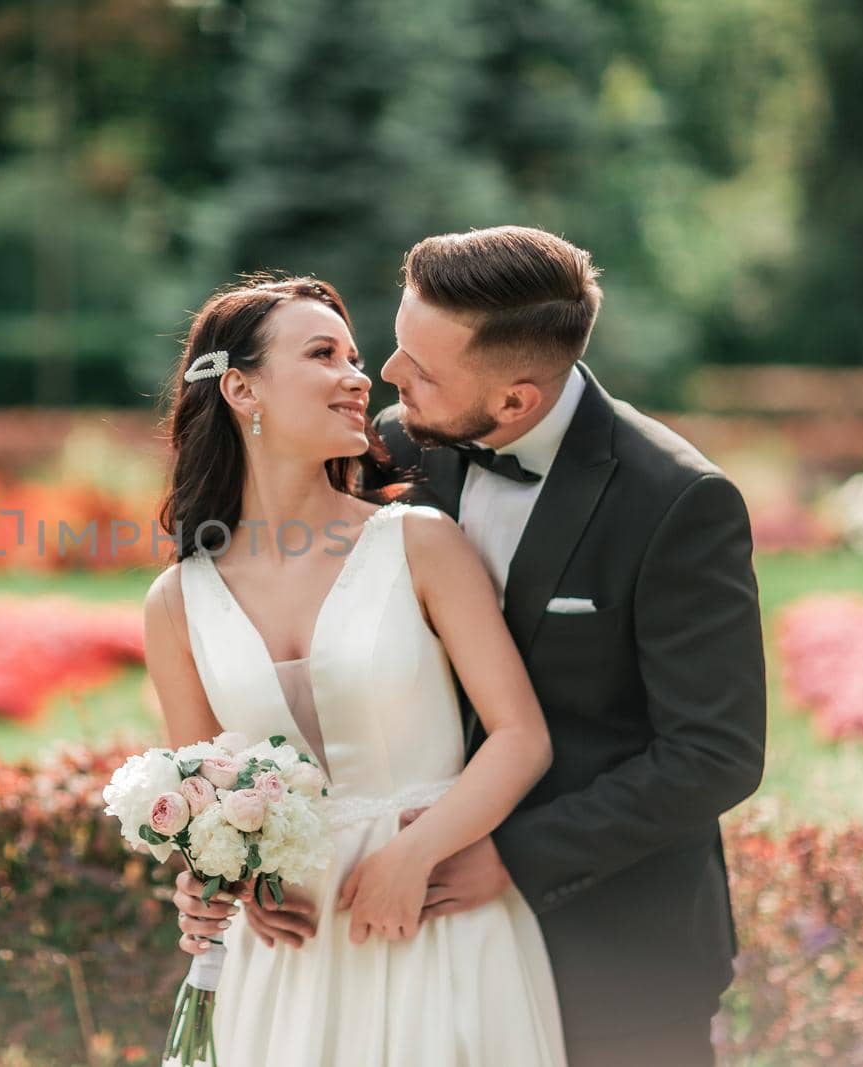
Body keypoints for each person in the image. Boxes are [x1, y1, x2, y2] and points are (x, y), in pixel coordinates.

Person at [196, 227, 768, 1067]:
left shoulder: (677, 502)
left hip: (615, 947)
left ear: (515, 402)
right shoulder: (392, 448)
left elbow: (715, 753)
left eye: (420, 369)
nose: (386, 378)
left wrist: (509, 855)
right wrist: (225, 857)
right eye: (396, 346)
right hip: (403, 948)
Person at [145, 275, 567, 1064]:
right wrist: (217, 886)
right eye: (322, 354)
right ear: (240, 387)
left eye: (355, 355)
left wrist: (414, 856)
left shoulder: (418, 542)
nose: (359, 376)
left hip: (437, 917)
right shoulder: (178, 601)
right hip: (288, 957)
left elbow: (520, 735)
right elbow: (205, 796)